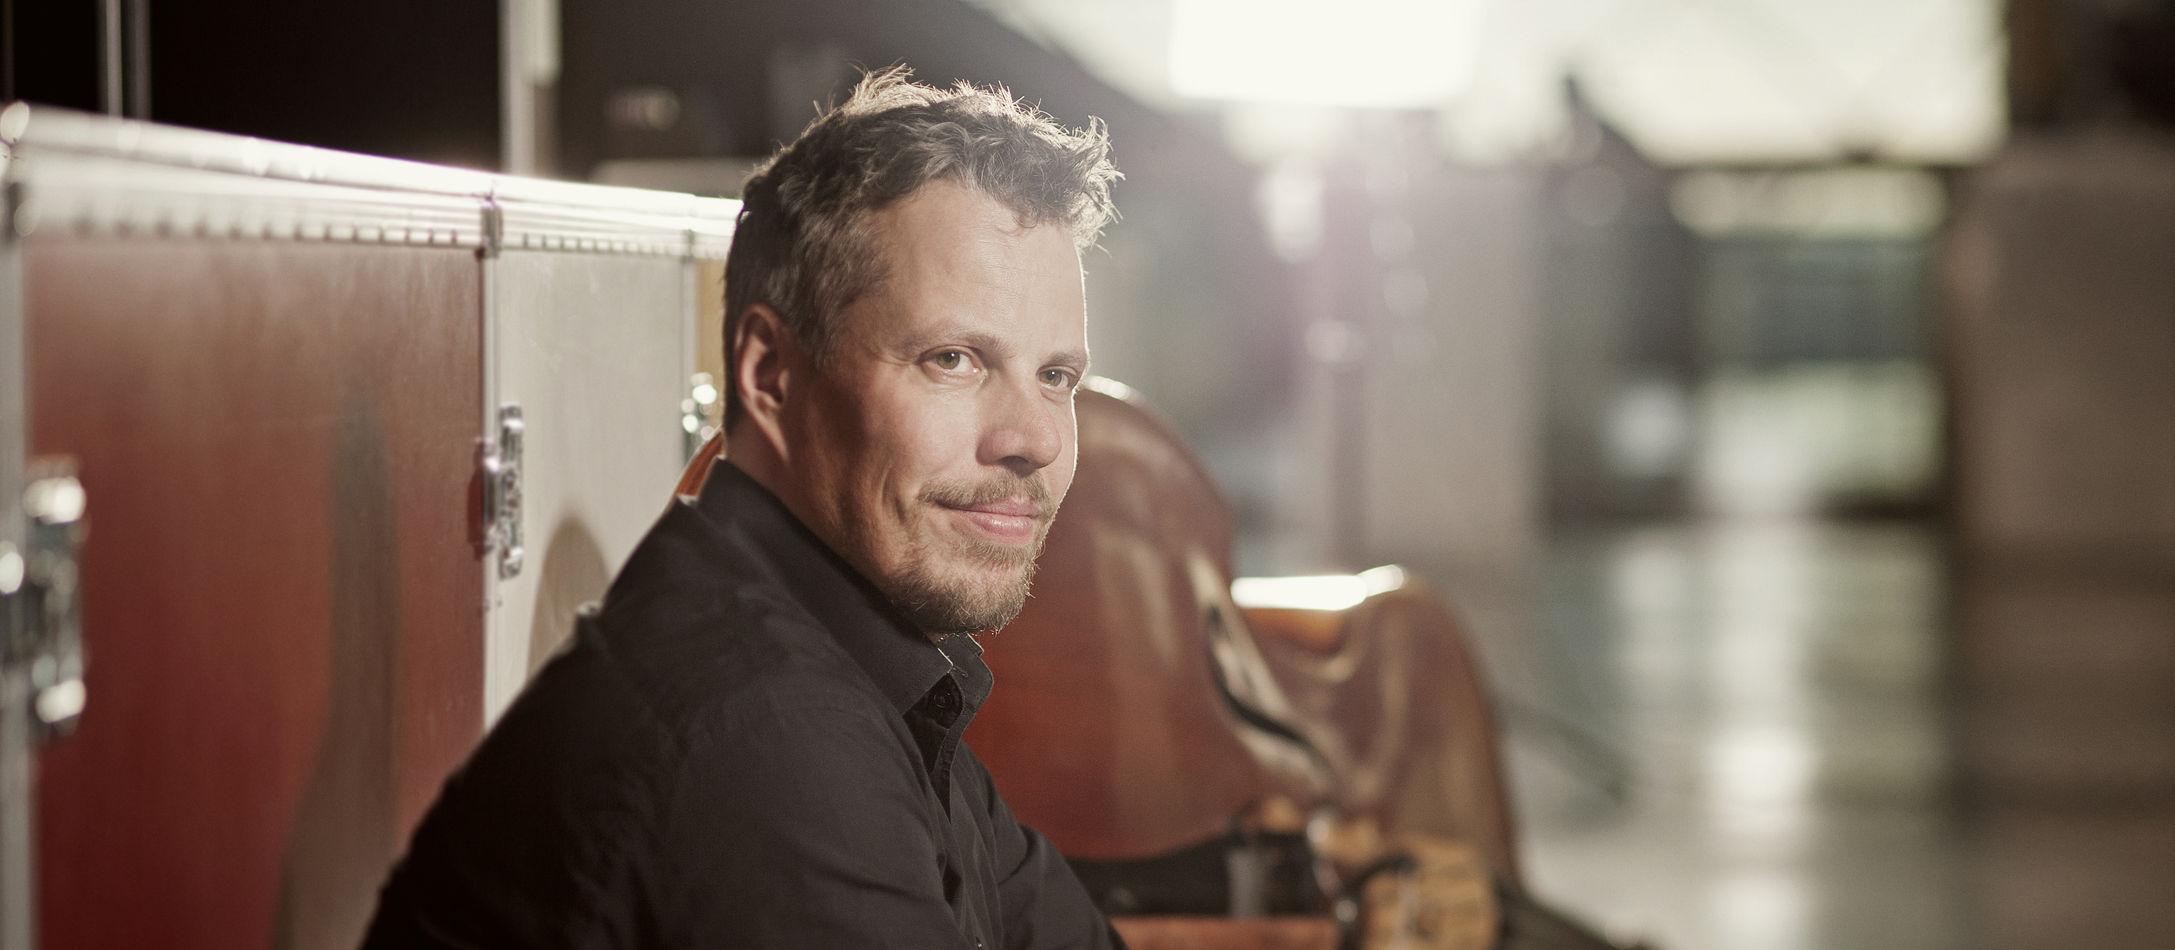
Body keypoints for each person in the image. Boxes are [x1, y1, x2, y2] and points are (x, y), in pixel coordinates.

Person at [363, 68, 1123, 949]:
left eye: (1055, 376)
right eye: (951, 360)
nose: (1035, 438)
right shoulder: (764, 733)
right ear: (770, 374)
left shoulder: (858, 665)